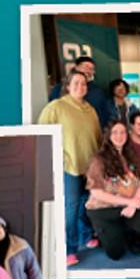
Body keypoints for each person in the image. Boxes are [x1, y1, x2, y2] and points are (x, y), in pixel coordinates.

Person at [37, 72, 100, 266]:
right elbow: (41, 135)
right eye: (76, 83)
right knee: (70, 209)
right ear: (67, 85)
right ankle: (68, 250)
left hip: (88, 167)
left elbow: (97, 138)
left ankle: (85, 236)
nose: (80, 86)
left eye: (83, 83)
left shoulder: (90, 110)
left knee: (83, 204)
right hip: (68, 166)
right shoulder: (56, 107)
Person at [87, 121, 140, 260]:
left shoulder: (130, 154)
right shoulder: (98, 160)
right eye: (115, 132)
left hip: (128, 205)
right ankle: (112, 233)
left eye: (122, 132)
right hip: (104, 209)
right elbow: (97, 193)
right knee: (116, 254)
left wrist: (133, 203)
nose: (119, 136)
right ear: (108, 135)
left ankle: (132, 237)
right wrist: (129, 201)